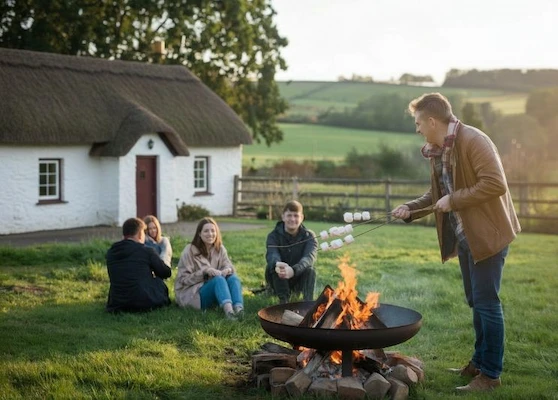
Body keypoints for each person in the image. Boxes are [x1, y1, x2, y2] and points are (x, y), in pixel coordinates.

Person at [391, 93, 521, 392]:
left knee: (487, 304)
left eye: (418, 123)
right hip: (466, 236)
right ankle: (478, 362)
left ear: (432, 121)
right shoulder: (440, 150)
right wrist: (410, 209)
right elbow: (438, 194)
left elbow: (495, 184)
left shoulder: (475, 140)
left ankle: (490, 375)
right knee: (475, 301)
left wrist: (455, 199)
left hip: (488, 235)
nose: (417, 130)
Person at [174, 217, 244, 320]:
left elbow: (228, 265)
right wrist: (204, 272)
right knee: (218, 279)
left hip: (216, 290)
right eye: (206, 231)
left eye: (213, 231)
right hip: (192, 295)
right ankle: (229, 313)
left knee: (233, 278)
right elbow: (183, 280)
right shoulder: (189, 250)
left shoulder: (220, 248)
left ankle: (239, 310)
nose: (210, 234)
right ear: (199, 233)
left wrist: (227, 270)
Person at [106, 217, 172, 313]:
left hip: (116, 303)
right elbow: (165, 273)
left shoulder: (111, 252)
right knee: (158, 282)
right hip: (143, 302)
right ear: (141, 234)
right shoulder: (146, 251)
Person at [265, 200, 318, 304]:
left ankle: (308, 304)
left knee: (310, 270)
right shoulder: (273, 236)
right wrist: (278, 264)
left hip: (298, 275)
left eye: (296, 216)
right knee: (275, 267)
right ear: (283, 217)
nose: (292, 219)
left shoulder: (309, 236)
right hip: (279, 277)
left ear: (302, 218)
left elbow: (309, 257)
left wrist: (294, 270)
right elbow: (272, 254)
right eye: (289, 215)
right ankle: (283, 302)